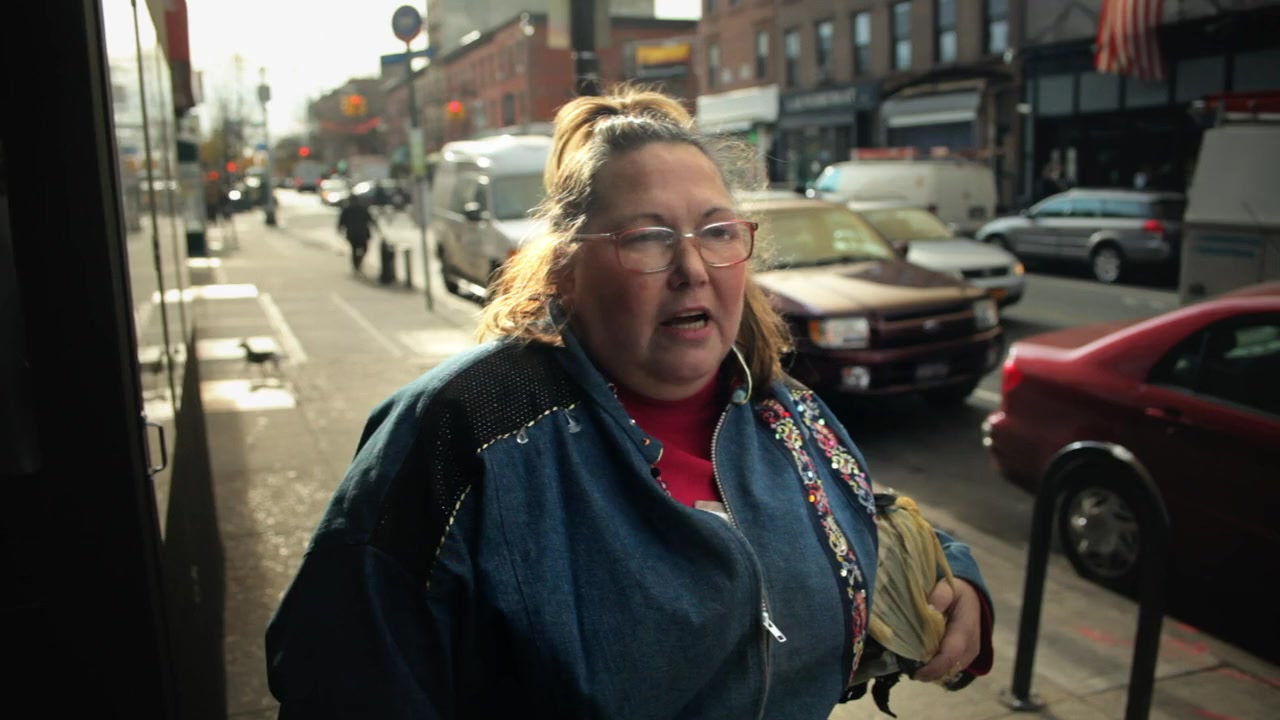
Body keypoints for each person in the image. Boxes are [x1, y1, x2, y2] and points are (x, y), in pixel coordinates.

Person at [266, 85, 993, 718]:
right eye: (647, 238)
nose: (691, 267)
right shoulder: (460, 433)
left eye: (717, 231)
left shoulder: (787, 415)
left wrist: (953, 576)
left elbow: (855, 518)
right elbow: (340, 679)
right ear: (566, 270)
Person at [336, 195, 379, 274]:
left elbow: (341, 221)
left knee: (355, 249)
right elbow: (370, 219)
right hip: (362, 233)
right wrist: (376, 227)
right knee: (363, 248)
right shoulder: (361, 209)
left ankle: (356, 264)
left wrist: (339, 229)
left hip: (353, 233)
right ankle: (357, 263)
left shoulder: (347, 210)